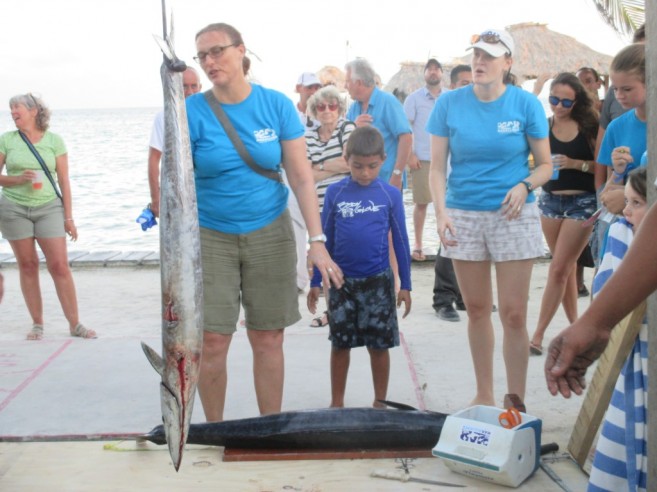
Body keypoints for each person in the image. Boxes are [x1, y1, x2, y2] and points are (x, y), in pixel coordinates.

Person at [186, 23, 342, 422]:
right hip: (211, 234)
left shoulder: (275, 105)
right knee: (214, 339)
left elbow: (302, 176)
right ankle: (215, 429)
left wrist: (317, 241)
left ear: (241, 51)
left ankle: (269, 428)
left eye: (217, 51)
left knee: (268, 336)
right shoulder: (190, 112)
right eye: (201, 55)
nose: (209, 62)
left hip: (271, 231)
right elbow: (173, 183)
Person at [427, 29, 552, 408]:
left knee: (513, 314)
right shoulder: (448, 104)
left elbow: (546, 166)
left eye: (490, 56)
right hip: (464, 213)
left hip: (513, 215)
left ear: (508, 63)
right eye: (476, 55)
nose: (479, 62)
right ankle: (483, 395)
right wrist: (442, 212)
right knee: (477, 310)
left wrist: (524, 185)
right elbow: (436, 170)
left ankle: (515, 400)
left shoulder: (526, 105)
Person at [546, 168, 649, 491]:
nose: (625, 211)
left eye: (637, 203)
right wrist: (595, 323)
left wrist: (594, 323)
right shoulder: (623, 234)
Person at [306, 126, 412, 408]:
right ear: (346, 158)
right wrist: (317, 281)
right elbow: (324, 238)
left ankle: (380, 402)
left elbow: (401, 241)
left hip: (378, 283)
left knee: (379, 347)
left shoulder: (389, 194)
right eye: (357, 166)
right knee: (340, 344)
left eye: (372, 166)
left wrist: (406, 285)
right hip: (342, 284)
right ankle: (336, 403)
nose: (365, 173)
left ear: (383, 159)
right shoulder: (335, 193)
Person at [0, 93, 96, 340]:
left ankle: (75, 324)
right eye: (11, 109)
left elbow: (63, 180)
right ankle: (37, 324)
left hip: (48, 208)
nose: (13, 112)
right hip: (14, 208)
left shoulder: (54, 141)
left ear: (34, 111)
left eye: (17, 108)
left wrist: (69, 217)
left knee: (59, 266)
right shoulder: (7, 140)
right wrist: (17, 179)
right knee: (28, 265)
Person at [529, 73, 598, 355]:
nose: (558, 106)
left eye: (565, 101)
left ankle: (537, 334)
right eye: (554, 99)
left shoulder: (589, 126)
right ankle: (575, 327)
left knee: (558, 269)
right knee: (565, 268)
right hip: (550, 202)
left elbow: (600, 167)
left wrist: (574, 163)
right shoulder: (544, 127)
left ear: (577, 100)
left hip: (582, 203)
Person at [305, 85, 356, 327]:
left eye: (332, 105)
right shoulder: (308, 135)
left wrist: (319, 169)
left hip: (346, 204)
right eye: (321, 106)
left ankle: (350, 308)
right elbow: (304, 172)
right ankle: (333, 310)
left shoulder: (347, 128)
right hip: (318, 207)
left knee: (347, 257)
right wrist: (327, 167)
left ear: (340, 108)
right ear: (314, 110)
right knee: (325, 258)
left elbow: (350, 162)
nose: (327, 110)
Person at [431, 64, 473, 322]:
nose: (470, 87)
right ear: (453, 85)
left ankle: (465, 296)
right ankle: (443, 299)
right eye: (464, 82)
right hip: (449, 186)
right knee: (449, 242)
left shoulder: (486, 109)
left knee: (474, 246)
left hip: (474, 191)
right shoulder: (446, 108)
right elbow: (436, 162)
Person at [344, 58, 412, 187]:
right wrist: (353, 127)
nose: (344, 86)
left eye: (347, 81)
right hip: (359, 183)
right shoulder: (354, 107)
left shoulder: (388, 102)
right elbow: (343, 140)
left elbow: (406, 137)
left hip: (387, 182)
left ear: (358, 82)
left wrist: (397, 175)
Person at [403, 58, 445, 262]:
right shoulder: (414, 99)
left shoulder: (449, 98)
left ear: (442, 74)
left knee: (444, 204)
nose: (433, 72)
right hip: (423, 159)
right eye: (430, 69)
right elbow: (405, 128)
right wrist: (410, 154)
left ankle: (443, 244)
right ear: (425, 73)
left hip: (447, 160)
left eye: (437, 69)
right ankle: (418, 244)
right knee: (421, 203)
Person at [148, 67, 202, 217]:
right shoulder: (164, 117)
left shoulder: (210, 114)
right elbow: (154, 159)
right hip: (178, 196)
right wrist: (155, 199)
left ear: (200, 87)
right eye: (184, 86)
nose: (190, 91)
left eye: (194, 86)